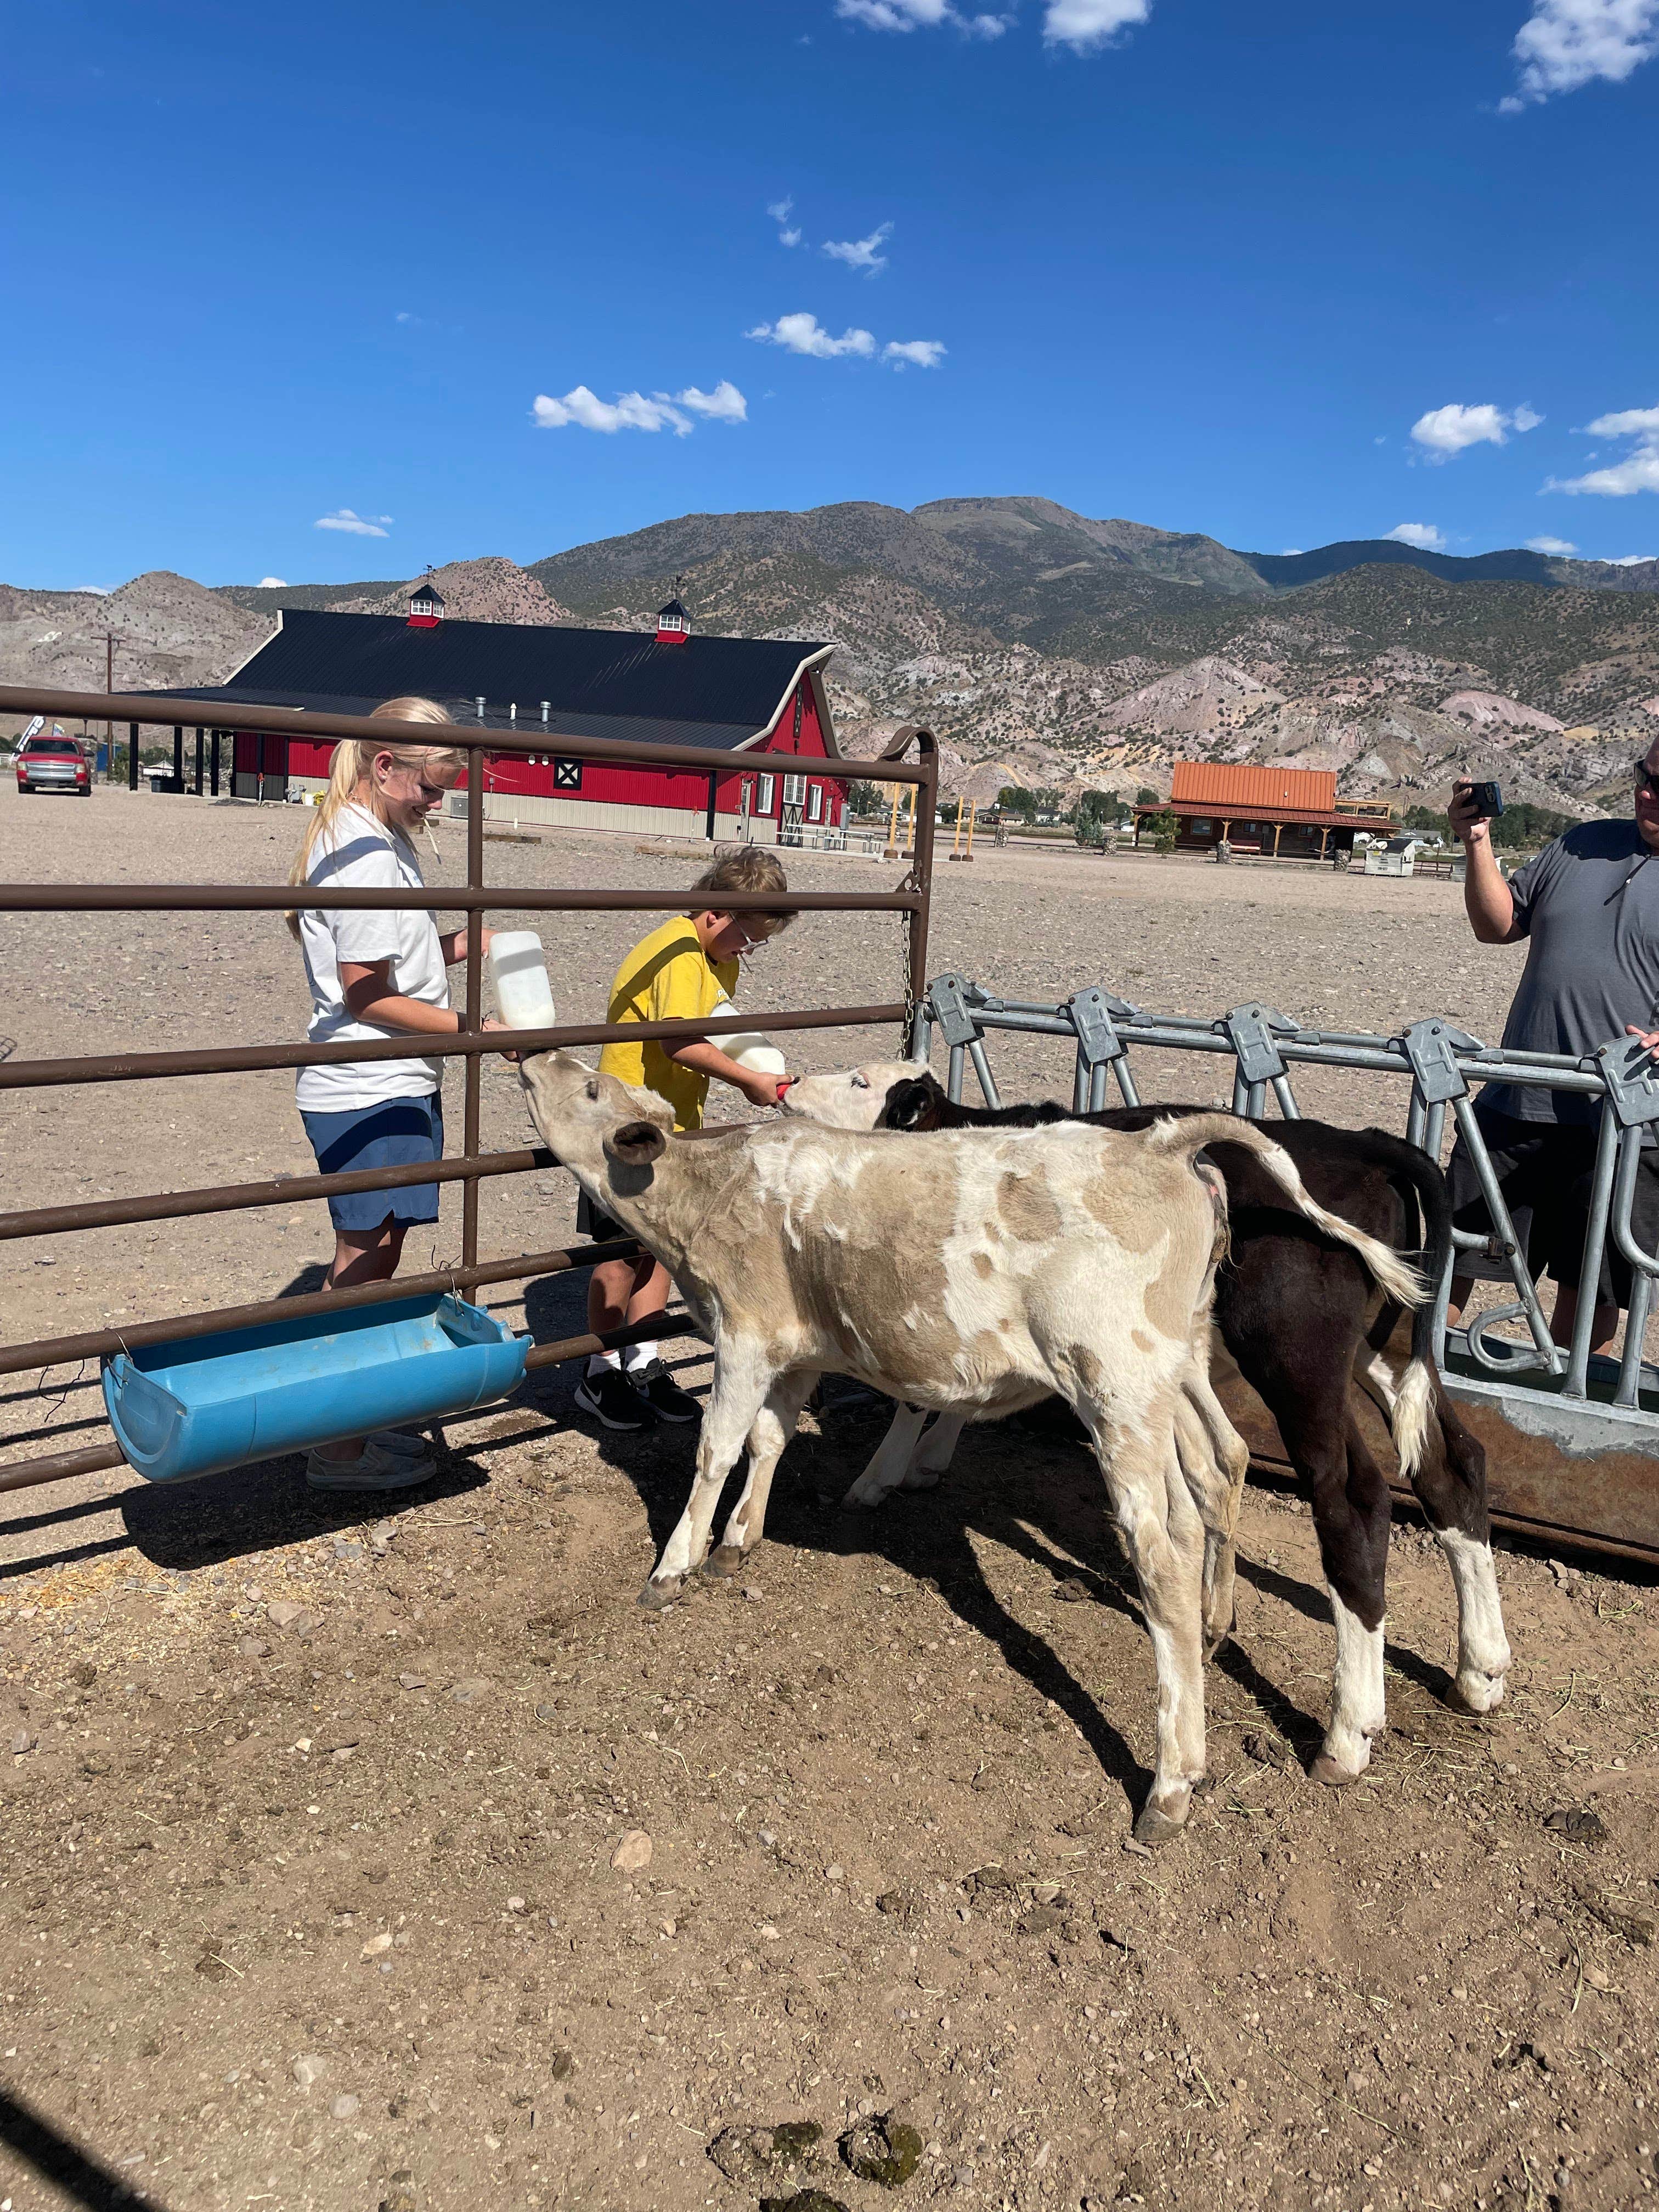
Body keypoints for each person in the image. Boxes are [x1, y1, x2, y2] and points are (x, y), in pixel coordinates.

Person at [288, 697, 506, 1491]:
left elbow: (393, 965)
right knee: (365, 1266)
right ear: (386, 767)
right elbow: (365, 995)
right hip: (373, 1085)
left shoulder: (373, 837)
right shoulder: (370, 856)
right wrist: (469, 1028)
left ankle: (345, 1426)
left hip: (380, 1081)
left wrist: (466, 941)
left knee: (372, 1260)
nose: (439, 801)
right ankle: (336, 1448)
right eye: (432, 784)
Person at [575, 847, 795, 1432]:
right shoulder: (677, 952)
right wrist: (750, 1079)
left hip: (674, 1123)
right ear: (717, 914)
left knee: (665, 1244)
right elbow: (677, 1040)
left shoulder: (715, 958)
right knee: (619, 1253)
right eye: (748, 938)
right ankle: (599, 1371)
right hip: (625, 1124)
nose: (749, 951)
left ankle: (643, 1359)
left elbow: (712, 1029)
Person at [1446, 753, 1659, 1354]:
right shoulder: (1582, 844)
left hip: (1623, 1126)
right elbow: (1499, 925)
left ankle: (1556, 1415)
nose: (1646, 795)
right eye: (1644, 778)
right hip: (1516, 1101)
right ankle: (1424, 1387)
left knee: (1590, 1286)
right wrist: (1477, 841)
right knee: (1458, 1255)